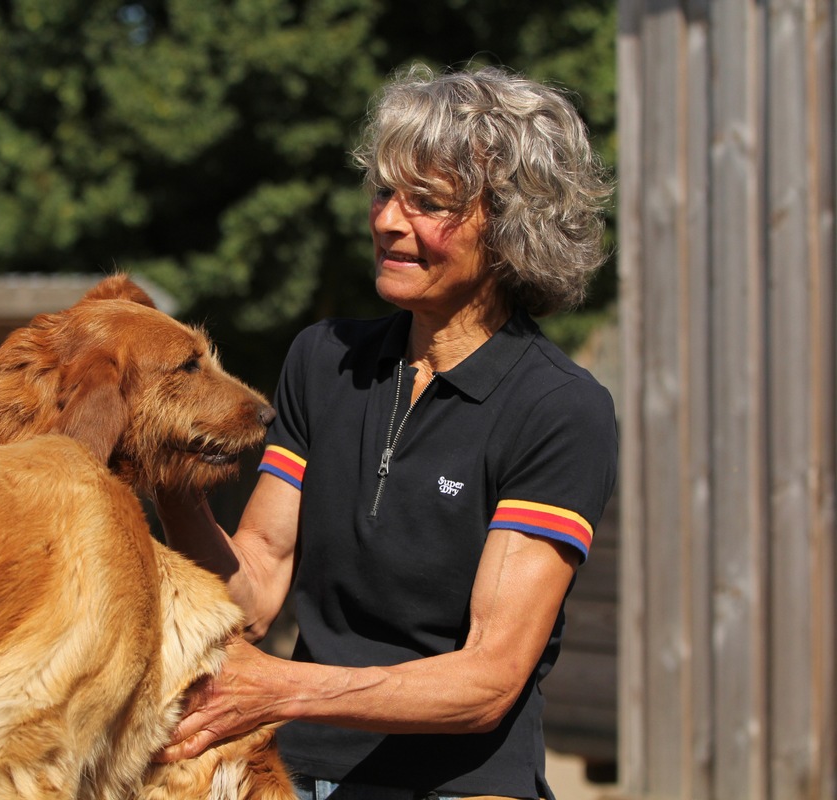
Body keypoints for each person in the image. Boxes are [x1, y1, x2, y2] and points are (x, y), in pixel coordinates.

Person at [154, 63, 618, 800]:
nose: (387, 221)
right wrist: (175, 488)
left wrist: (283, 688)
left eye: (427, 202)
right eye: (382, 191)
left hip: (462, 785)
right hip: (292, 772)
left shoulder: (559, 410)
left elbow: (488, 679)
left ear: (510, 226)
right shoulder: (322, 360)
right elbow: (254, 591)